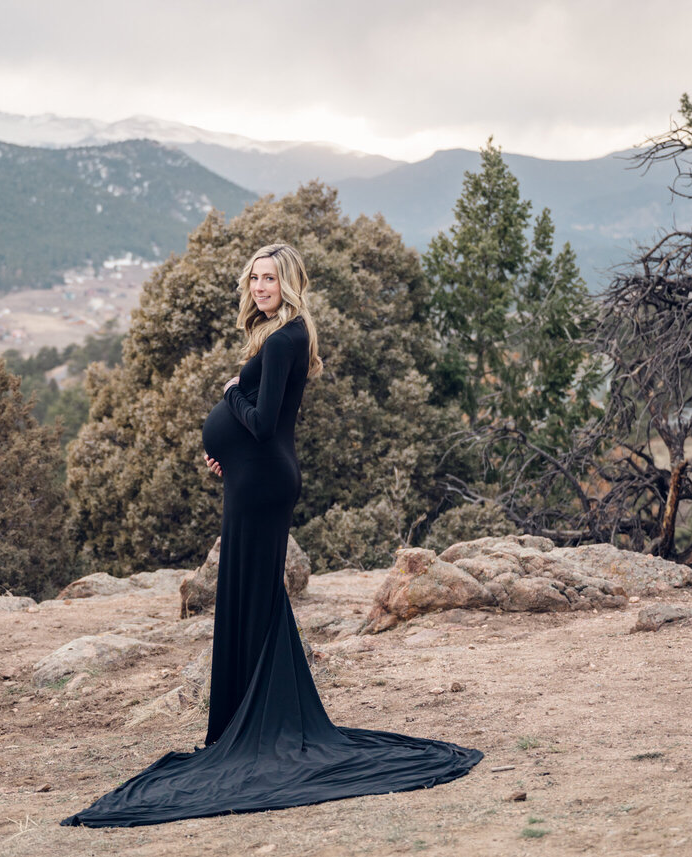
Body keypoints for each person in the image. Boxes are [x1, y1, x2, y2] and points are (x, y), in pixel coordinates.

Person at [61, 244, 482, 828]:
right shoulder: (278, 334)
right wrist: (227, 455)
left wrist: (231, 391)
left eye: (271, 278)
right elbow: (270, 424)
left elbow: (260, 423)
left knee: (253, 597)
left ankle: (263, 727)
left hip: (263, 483)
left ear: (290, 282)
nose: (261, 287)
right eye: (255, 278)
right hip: (252, 478)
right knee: (249, 594)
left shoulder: (286, 338)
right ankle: (244, 721)